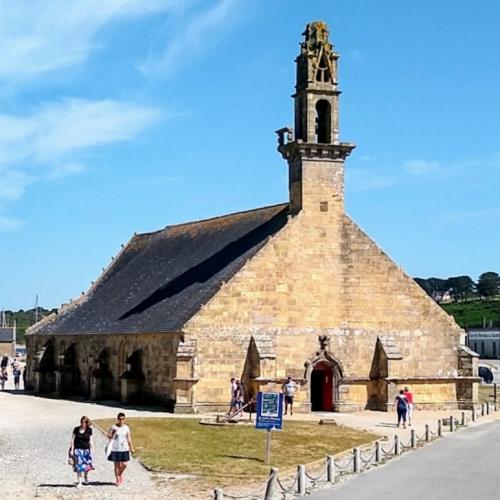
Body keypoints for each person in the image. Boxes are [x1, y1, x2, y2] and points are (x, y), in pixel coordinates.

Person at [107, 412, 135, 486]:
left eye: (123, 419)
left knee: (124, 464)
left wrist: (131, 447)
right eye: (120, 419)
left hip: (124, 448)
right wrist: (113, 433)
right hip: (115, 448)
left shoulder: (126, 428)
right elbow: (109, 436)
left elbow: (129, 438)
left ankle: (119, 474)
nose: (121, 420)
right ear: (118, 419)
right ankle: (117, 479)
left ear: (124, 419)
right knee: (116, 465)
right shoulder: (114, 427)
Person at [69, 415, 94, 487]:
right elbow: (72, 440)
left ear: (87, 423)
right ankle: (79, 481)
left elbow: (91, 440)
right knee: (78, 466)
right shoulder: (76, 429)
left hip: (86, 450)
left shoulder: (89, 430)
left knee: (86, 465)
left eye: (84, 422)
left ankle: (86, 477)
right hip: (78, 450)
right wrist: (72, 449)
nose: (83, 423)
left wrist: (92, 449)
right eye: (82, 422)